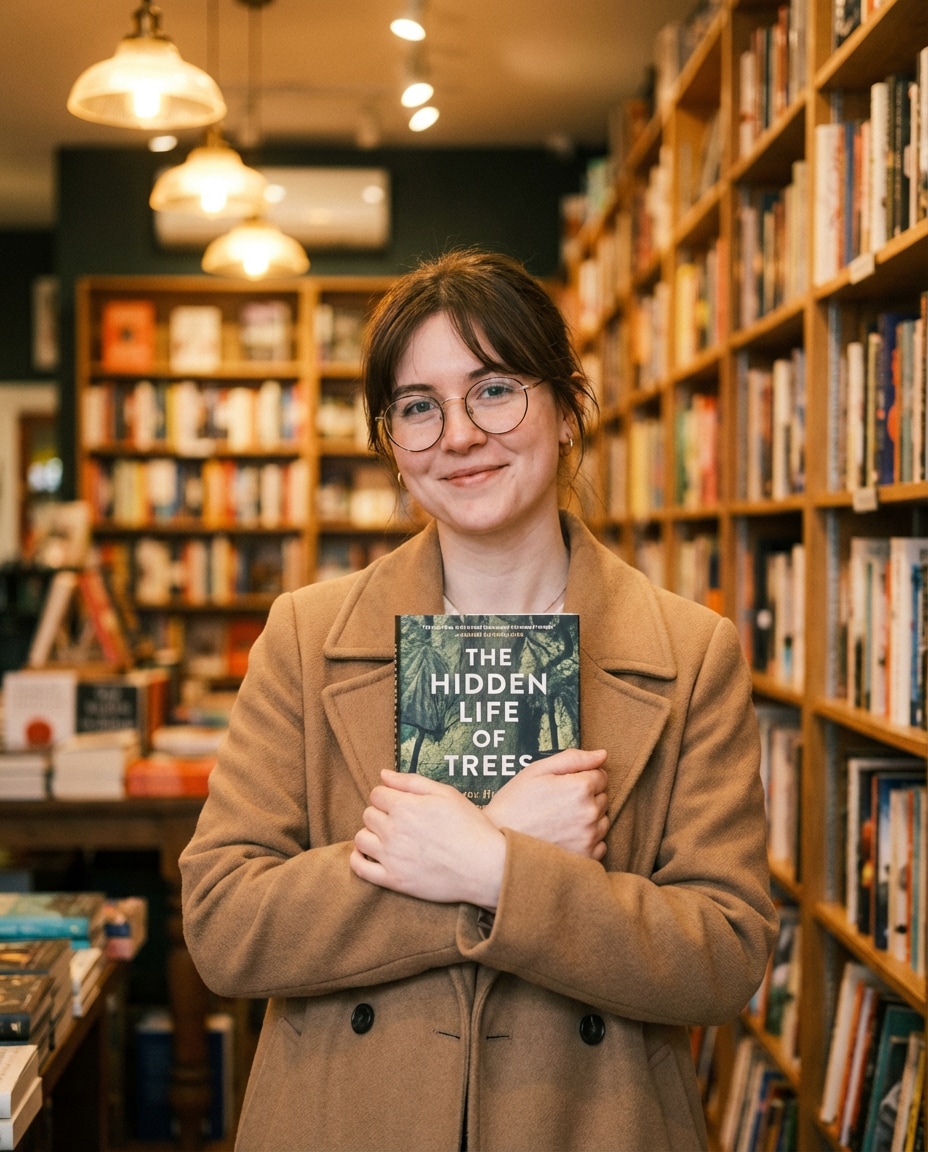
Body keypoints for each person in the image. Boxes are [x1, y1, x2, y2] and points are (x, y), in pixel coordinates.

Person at [180, 249, 777, 1152]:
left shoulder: (691, 652)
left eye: (494, 389)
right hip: (343, 1121)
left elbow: (725, 956)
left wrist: (500, 873)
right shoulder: (304, 637)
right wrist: (493, 839)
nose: (457, 435)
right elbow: (225, 925)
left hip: (589, 1123)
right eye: (418, 407)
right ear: (391, 444)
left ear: (570, 407)